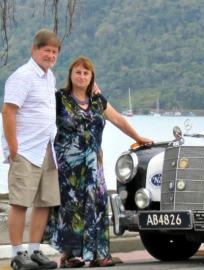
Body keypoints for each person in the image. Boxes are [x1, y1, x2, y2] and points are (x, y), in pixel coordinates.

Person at [45, 56, 153, 268]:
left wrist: (138, 138)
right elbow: (41, 120)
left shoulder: (97, 100)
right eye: (78, 72)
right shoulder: (59, 98)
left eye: (86, 73)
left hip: (94, 164)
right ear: (71, 75)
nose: (82, 76)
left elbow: (118, 119)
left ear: (92, 76)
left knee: (98, 202)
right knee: (72, 208)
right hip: (69, 166)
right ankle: (71, 255)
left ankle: (98, 253)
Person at [1, 29, 60, 270]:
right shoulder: (22, 76)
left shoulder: (50, 77)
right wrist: (13, 147)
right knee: (20, 203)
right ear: (34, 50)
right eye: (46, 50)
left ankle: (35, 251)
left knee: (44, 202)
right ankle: (18, 253)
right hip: (25, 149)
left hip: (47, 148)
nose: (50, 55)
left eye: (54, 52)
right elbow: (8, 111)